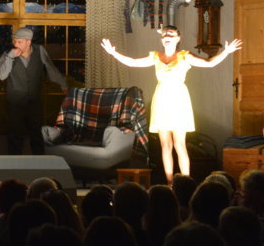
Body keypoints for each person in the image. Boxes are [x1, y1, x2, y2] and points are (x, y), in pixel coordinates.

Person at [101, 25, 242, 184]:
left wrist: (226, 52)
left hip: (179, 100)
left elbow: (209, 63)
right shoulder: (156, 56)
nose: (167, 36)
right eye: (165, 34)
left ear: (178, 38)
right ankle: (170, 183)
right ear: (162, 39)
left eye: (171, 34)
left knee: (179, 144)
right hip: (162, 100)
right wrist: (113, 53)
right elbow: (133, 62)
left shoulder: (184, 56)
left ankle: (186, 181)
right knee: (166, 145)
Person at [0, 27, 68, 154]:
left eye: (19, 42)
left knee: (37, 134)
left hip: (34, 101)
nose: (16, 44)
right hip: (14, 102)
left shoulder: (39, 51)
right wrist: (10, 57)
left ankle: (39, 162)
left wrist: (63, 84)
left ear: (28, 42)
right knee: (14, 136)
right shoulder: (8, 53)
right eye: (15, 41)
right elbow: (2, 75)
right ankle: (14, 164)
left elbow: (51, 69)